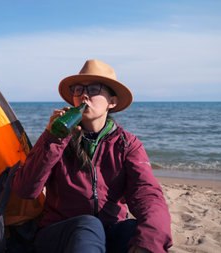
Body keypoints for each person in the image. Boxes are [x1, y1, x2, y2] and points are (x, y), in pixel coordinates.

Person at [11, 59, 172, 253]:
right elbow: (25, 189)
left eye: (94, 89)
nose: (84, 95)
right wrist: (52, 138)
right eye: (78, 90)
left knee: (140, 231)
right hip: (60, 233)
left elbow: (146, 193)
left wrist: (149, 243)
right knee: (88, 225)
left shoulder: (127, 144)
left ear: (111, 102)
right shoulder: (57, 139)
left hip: (108, 231)